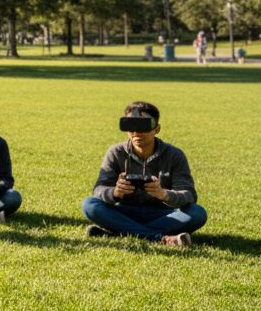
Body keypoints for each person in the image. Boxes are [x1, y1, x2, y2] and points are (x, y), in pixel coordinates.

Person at [82, 101, 207, 246]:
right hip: (125, 212)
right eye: (131, 126)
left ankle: (120, 231)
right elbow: (99, 189)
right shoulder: (116, 152)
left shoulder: (174, 155)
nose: (137, 132)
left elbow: (189, 195)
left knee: (197, 213)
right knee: (89, 205)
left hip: (163, 214)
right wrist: (115, 192)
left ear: (157, 128)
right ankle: (161, 238)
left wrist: (164, 194)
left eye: (143, 126)